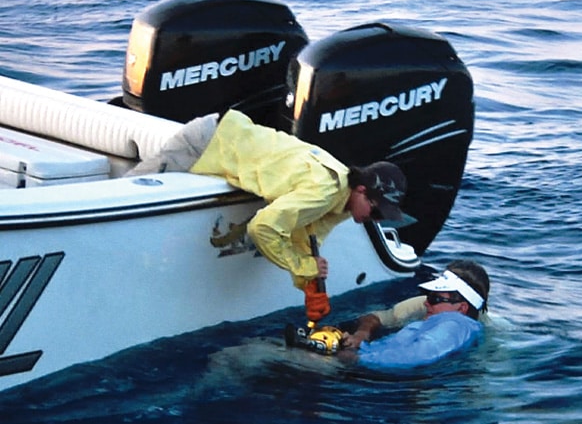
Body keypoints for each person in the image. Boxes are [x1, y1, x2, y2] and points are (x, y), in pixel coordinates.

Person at [127, 109, 408, 321]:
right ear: (361, 190)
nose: (376, 218)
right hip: (208, 142)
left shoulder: (342, 202)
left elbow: (304, 237)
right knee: (128, 196)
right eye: (376, 210)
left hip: (224, 140)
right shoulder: (324, 192)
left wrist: (311, 289)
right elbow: (262, 228)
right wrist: (304, 268)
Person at [338, 260, 490, 371]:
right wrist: (361, 335)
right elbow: (374, 317)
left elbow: (421, 353)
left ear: (462, 308)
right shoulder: (447, 314)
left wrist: (355, 359)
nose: (426, 303)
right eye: (429, 295)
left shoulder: (455, 324)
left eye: (435, 298)